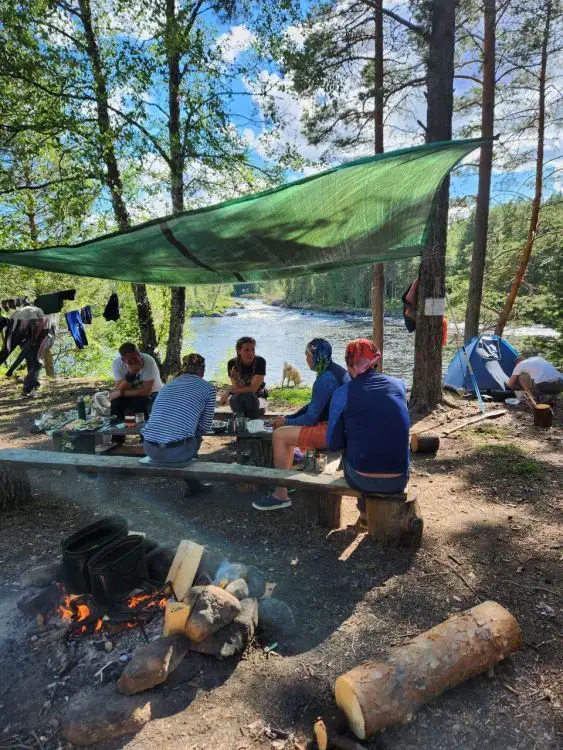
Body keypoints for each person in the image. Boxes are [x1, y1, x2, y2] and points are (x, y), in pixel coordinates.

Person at [252, 338, 349, 511]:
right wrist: (290, 417)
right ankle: (286, 480)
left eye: (308, 355)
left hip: (333, 432)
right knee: (284, 429)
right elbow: (315, 405)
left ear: (318, 355)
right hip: (341, 428)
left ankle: (280, 495)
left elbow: (311, 418)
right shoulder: (332, 370)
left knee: (280, 435)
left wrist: (286, 422)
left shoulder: (326, 378)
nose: (306, 359)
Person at [327, 338, 410, 531]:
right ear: (376, 361)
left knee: (353, 451)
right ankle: (367, 519)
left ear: (349, 363)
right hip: (399, 478)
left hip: (361, 479)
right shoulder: (399, 385)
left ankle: (364, 516)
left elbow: (333, 443)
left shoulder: (342, 393)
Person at [141, 353, 216, 496]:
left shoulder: (167, 386)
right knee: (194, 437)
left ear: (183, 369)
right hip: (177, 453)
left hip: (150, 448)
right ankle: (195, 485)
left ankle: (194, 484)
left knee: (183, 435)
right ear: (202, 370)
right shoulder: (208, 388)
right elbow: (205, 427)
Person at [110, 343, 163, 424]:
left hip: (153, 393)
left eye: (137, 357)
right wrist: (130, 375)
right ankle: (120, 431)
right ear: (123, 360)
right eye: (130, 360)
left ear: (139, 353)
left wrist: (121, 393)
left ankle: (144, 433)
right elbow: (119, 388)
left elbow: (146, 391)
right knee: (116, 404)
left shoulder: (148, 360)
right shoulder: (117, 364)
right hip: (132, 393)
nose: (135, 361)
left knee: (140, 404)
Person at [220, 336, 267, 419]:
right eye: (246, 350)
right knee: (235, 399)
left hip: (258, 398)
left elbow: (253, 389)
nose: (251, 353)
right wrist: (237, 379)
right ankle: (241, 423)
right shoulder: (232, 363)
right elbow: (238, 388)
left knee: (249, 396)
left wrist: (229, 391)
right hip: (241, 398)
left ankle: (248, 423)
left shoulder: (260, 362)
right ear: (239, 351)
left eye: (253, 349)